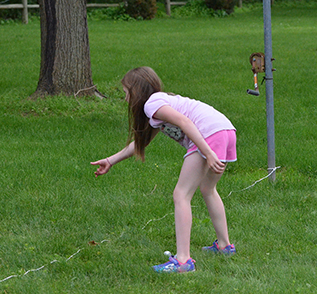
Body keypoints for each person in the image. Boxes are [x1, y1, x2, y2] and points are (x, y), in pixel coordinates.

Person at [91, 67, 236, 273]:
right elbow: (141, 143)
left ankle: (183, 261)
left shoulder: (152, 103)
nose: (125, 99)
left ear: (137, 90)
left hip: (209, 134)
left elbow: (185, 123)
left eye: (126, 93)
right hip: (225, 129)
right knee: (208, 189)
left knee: (181, 194)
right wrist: (110, 160)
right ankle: (224, 246)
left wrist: (208, 152)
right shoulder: (159, 105)